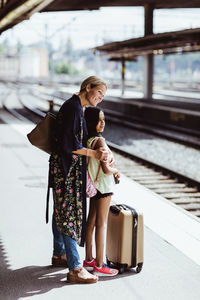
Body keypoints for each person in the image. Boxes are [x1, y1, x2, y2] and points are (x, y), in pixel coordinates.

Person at [49, 76, 109, 284]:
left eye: (103, 96)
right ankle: (75, 267)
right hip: (66, 169)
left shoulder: (76, 107)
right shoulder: (74, 108)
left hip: (65, 168)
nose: (100, 98)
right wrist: (94, 155)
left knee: (61, 210)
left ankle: (59, 254)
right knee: (68, 215)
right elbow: (70, 144)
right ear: (88, 87)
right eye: (99, 93)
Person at [83, 106, 120, 276]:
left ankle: (88, 259)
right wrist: (117, 171)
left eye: (103, 119)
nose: (103, 123)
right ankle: (99, 264)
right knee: (101, 223)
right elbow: (106, 169)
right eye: (100, 120)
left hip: (93, 186)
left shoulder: (88, 140)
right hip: (104, 186)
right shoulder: (100, 141)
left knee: (91, 221)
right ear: (93, 122)